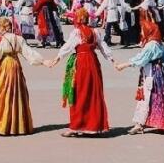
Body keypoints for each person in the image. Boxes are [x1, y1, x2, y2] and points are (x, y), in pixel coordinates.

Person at [47, 9, 115, 137]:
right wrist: (113, 61)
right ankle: (94, 126)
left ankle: (77, 126)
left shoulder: (77, 32)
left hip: (82, 64)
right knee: (93, 93)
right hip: (93, 63)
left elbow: (68, 46)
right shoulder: (95, 32)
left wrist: (57, 58)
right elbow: (103, 47)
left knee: (78, 93)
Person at [0, 16, 43, 136]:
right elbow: (29, 53)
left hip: (5, 66)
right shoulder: (18, 38)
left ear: (1, 27)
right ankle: (18, 126)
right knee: (16, 95)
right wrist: (42, 61)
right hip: (15, 65)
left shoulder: (0, 40)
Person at [115, 10, 164, 134]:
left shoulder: (151, 45)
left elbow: (141, 59)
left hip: (151, 74)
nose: (141, 32)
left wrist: (123, 65)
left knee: (146, 97)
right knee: (156, 97)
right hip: (159, 74)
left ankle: (139, 124)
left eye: (143, 29)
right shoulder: (159, 43)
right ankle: (158, 122)